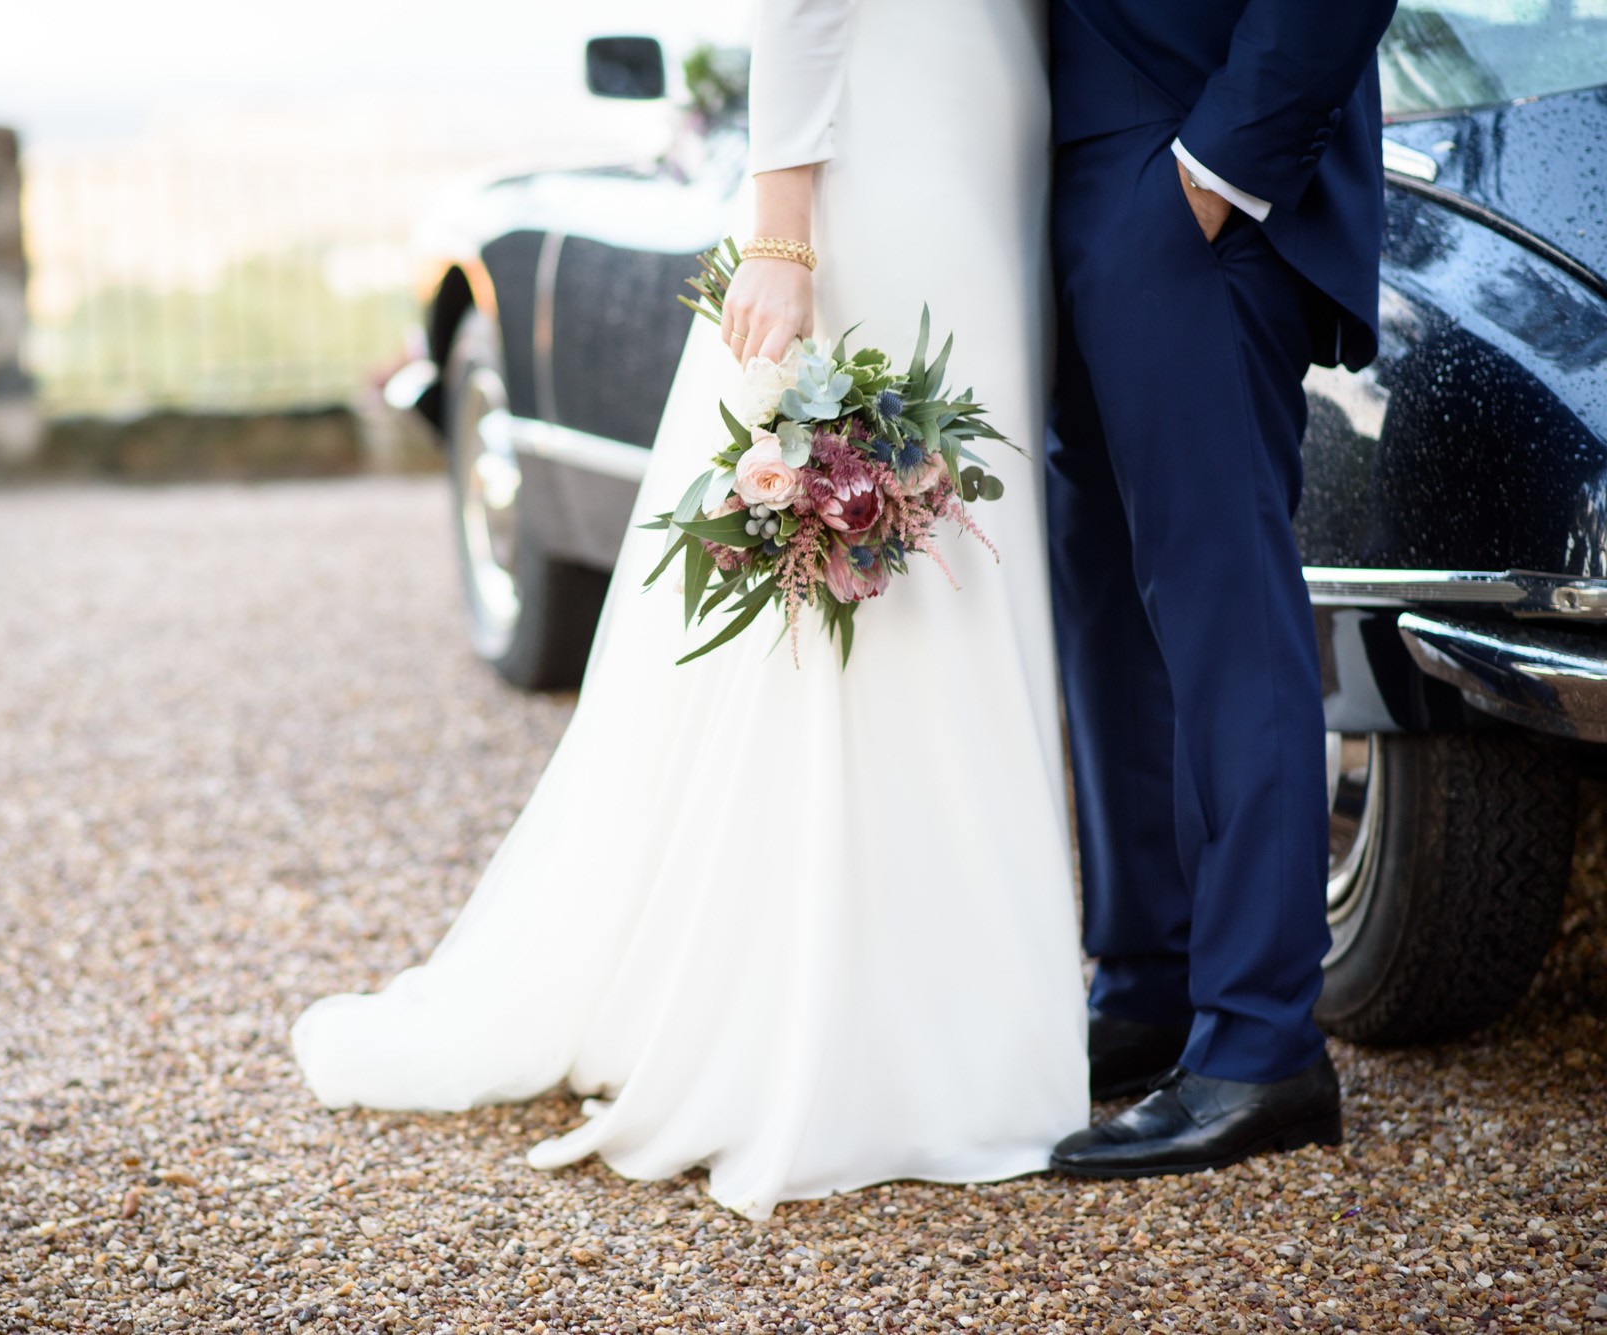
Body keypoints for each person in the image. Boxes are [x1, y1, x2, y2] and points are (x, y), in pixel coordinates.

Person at [293, 0, 1090, 1220]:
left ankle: (967, 1003)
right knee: (868, 577)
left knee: (968, 559)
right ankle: (853, 1022)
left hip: (992, 150)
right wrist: (780, 232)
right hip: (882, 163)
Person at [1044, 0, 1398, 1177]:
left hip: (1185, 167)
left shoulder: (1198, 178)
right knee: (1102, 605)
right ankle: (1149, 980)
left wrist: (1216, 167)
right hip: (1061, 175)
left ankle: (1258, 1044)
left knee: (1223, 614)